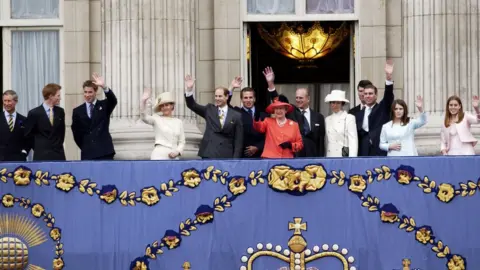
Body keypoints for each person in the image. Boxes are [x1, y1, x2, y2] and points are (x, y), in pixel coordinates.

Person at [262, 66, 325, 157]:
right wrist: (270, 83)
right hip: (295, 155)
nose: (298, 100)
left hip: (313, 155)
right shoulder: (291, 111)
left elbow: (321, 141)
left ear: (308, 99)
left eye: (301, 98)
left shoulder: (318, 117)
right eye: (296, 98)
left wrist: (322, 158)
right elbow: (276, 100)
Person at [184, 74, 243, 159]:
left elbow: (238, 141)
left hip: (227, 155)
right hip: (209, 153)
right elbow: (192, 105)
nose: (217, 98)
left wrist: (235, 159)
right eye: (216, 96)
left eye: (220, 96)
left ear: (227, 97)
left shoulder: (236, 115)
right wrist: (189, 89)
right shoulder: (209, 110)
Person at [71, 73, 118, 160]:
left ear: (95, 92)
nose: (87, 95)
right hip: (88, 153)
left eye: (90, 92)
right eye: (85, 92)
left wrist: (104, 87)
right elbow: (76, 133)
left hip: (104, 152)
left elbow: (113, 100)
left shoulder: (104, 106)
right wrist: (85, 145)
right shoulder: (77, 111)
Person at [354, 59, 395, 156]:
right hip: (363, 151)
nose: (368, 96)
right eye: (366, 94)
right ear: (362, 96)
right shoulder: (358, 114)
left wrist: (388, 79)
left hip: (379, 150)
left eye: (371, 93)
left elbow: (388, 97)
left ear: (376, 95)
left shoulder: (382, 108)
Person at [227, 76, 268, 158]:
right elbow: (225, 103)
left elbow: (268, 135)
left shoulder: (263, 114)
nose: (248, 100)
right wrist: (231, 88)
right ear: (241, 99)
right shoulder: (236, 112)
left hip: (261, 155)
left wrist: (257, 147)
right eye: (245, 98)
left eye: (250, 97)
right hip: (242, 155)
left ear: (254, 99)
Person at [140, 88, 185, 160]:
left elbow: (181, 142)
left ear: (172, 106)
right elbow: (144, 117)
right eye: (162, 106)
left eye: (166, 105)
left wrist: (177, 152)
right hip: (159, 155)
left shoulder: (178, 122)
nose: (164, 108)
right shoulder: (156, 118)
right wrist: (143, 101)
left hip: (174, 157)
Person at [24, 83, 66, 161]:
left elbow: (61, 133)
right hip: (41, 155)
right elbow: (28, 134)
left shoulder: (60, 112)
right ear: (50, 96)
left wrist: (57, 145)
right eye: (58, 96)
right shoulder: (34, 113)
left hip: (58, 154)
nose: (60, 98)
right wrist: (39, 146)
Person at [324, 90, 358, 157]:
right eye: (333, 102)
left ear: (342, 104)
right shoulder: (327, 119)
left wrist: (352, 159)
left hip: (343, 156)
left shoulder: (349, 118)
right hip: (330, 156)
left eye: (338, 103)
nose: (335, 105)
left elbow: (353, 141)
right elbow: (326, 141)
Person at [0, 90, 32, 161]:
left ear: (16, 101)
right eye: (4, 101)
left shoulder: (24, 120)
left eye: (9, 101)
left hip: (18, 160)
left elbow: (29, 139)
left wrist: (24, 152)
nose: (6, 103)